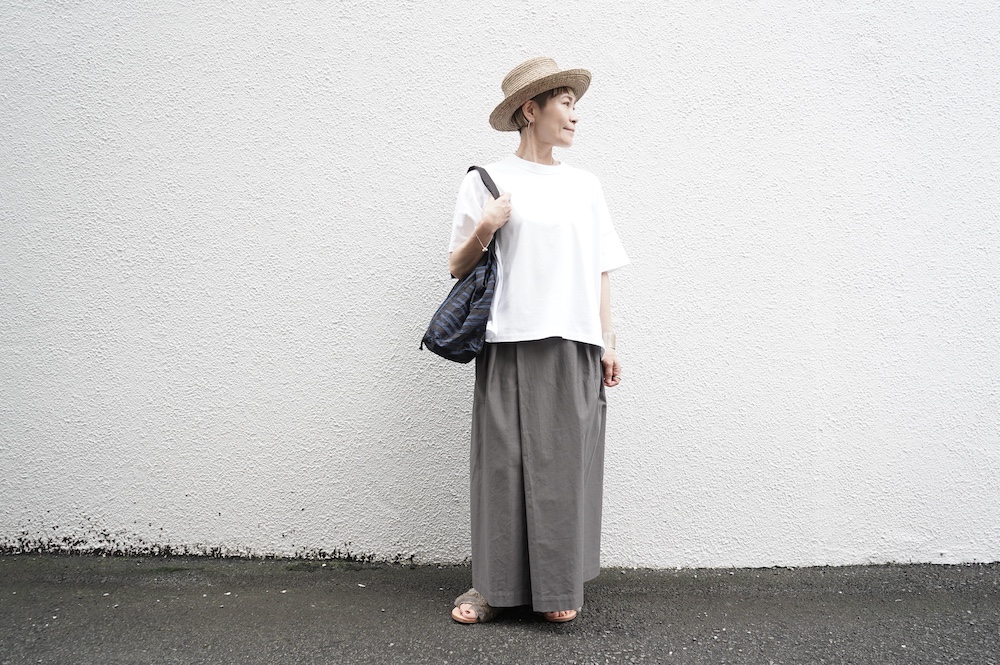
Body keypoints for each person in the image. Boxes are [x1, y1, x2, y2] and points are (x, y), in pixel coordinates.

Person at [447, 57, 629, 624]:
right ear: (531, 109)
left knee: (563, 471)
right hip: (506, 340)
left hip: (572, 342)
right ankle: (492, 589)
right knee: (501, 470)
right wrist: (486, 226)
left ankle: (557, 588)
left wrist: (608, 340)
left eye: (576, 105)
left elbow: (601, 269)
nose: (575, 116)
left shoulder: (585, 186)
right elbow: (456, 266)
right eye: (566, 104)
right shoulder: (486, 181)